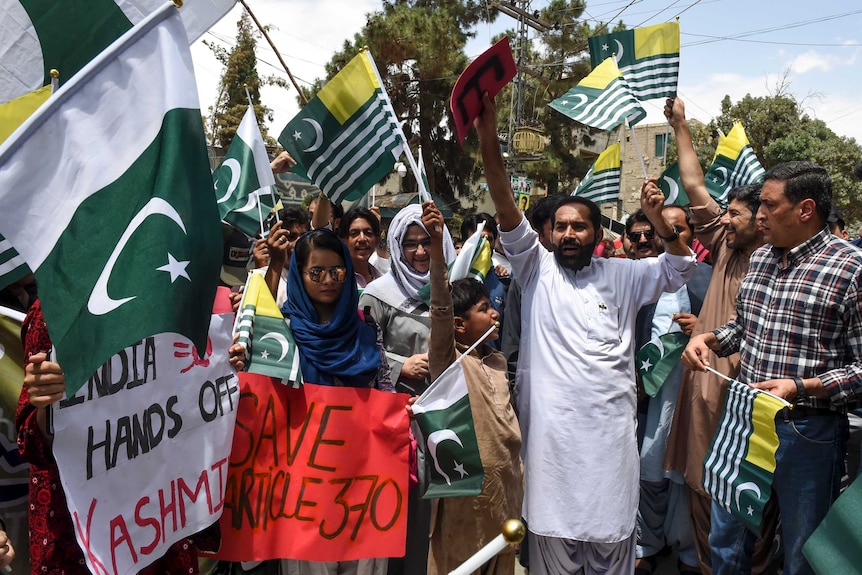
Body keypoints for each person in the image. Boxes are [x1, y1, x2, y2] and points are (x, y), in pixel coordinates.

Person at [474, 92, 696, 575]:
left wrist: (658, 221)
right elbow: (505, 203)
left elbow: (680, 265)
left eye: (580, 227)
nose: (569, 234)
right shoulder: (535, 272)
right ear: (549, 234)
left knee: (611, 546)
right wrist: (488, 136)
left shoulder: (624, 275)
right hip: (552, 457)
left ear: (597, 234)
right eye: (561, 227)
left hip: (610, 456)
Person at [682, 160, 862, 575]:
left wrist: (801, 387)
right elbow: (745, 329)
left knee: (803, 552)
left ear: (805, 209)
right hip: (746, 423)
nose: (758, 214)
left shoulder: (851, 269)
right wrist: (706, 339)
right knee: (726, 539)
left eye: (768, 204)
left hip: (809, 432)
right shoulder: (761, 259)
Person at [234, 228, 395, 575]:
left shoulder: (365, 328)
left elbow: (383, 389)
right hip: (303, 488)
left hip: (363, 480)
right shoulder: (281, 331)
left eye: (337, 271)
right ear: (300, 274)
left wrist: (397, 414)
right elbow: (262, 399)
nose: (328, 281)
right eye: (316, 272)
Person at [661, 97, 775, 575]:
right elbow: (692, 183)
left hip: (755, 394)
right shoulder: (727, 246)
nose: (724, 220)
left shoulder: (777, 262)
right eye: (723, 213)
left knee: (753, 503)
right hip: (705, 385)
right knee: (703, 486)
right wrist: (680, 125)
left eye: (735, 214)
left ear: (763, 220)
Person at [17, 301, 207, 574]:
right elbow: (33, 443)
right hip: (82, 536)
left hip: (157, 516)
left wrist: (223, 346)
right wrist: (45, 402)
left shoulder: (169, 293)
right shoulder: (54, 310)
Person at [422, 201, 523, 575]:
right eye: (484, 308)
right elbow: (440, 309)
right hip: (465, 503)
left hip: (507, 499)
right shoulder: (449, 362)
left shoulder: (496, 360)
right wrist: (436, 248)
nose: (495, 312)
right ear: (461, 325)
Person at [358, 204, 455, 575]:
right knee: (403, 507)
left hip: (445, 413)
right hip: (398, 417)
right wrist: (399, 365)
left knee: (438, 511)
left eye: (427, 243)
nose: (419, 252)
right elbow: (362, 349)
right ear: (396, 246)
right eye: (410, 243)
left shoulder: (451, 288)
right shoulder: (378, 294)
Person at [632, 205, 712, 575]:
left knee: (685, 475)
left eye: (673, 229)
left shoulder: (709, 280)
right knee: (647, 470)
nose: (664, 236)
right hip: (648, 400)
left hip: (693, 397)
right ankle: (646, 544)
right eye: (657, 230)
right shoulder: (639, 279)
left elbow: (735, 328)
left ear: (690, 234)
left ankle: (685, 548)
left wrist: (704, 326)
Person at [338, 207, 383, 292]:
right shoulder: (337, 281)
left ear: (377, 240)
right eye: (354, 233)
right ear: (344, 240)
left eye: (368, 233)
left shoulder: (381, 280)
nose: (362, 239)